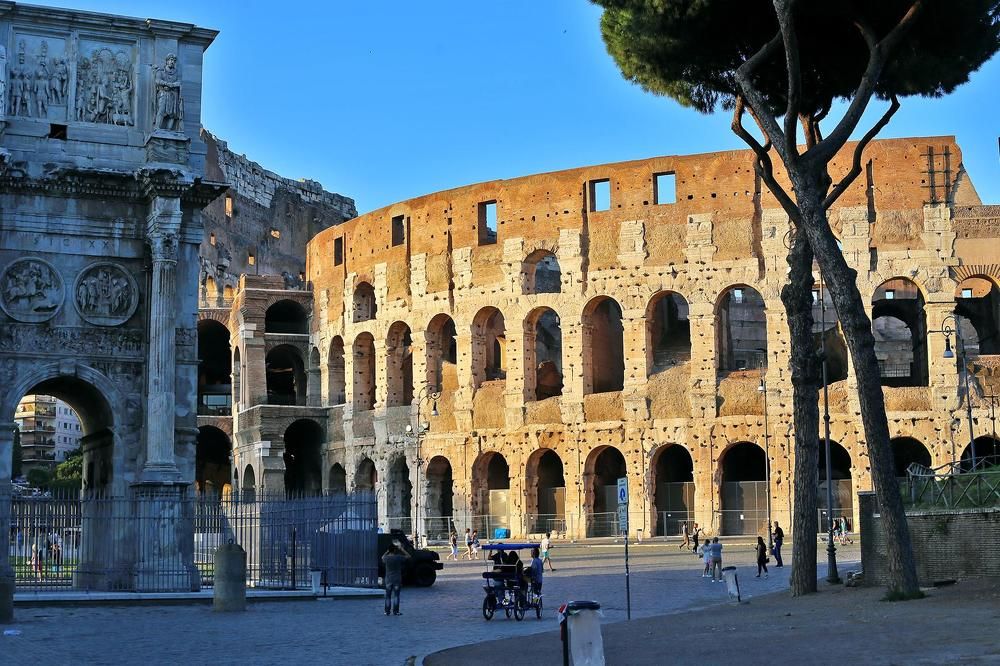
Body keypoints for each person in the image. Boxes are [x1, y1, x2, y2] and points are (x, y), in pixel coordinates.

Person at [381, 541, 410, 616]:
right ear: (395, 550)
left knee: (388, 596)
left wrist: (387, 551)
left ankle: (387, 611)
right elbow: (408, 556)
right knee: (396, 596)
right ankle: (396, 611)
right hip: (397, 579)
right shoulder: (398, 557)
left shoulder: (386, 558)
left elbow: (382, 557)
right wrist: (402, 549)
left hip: (388, 579)